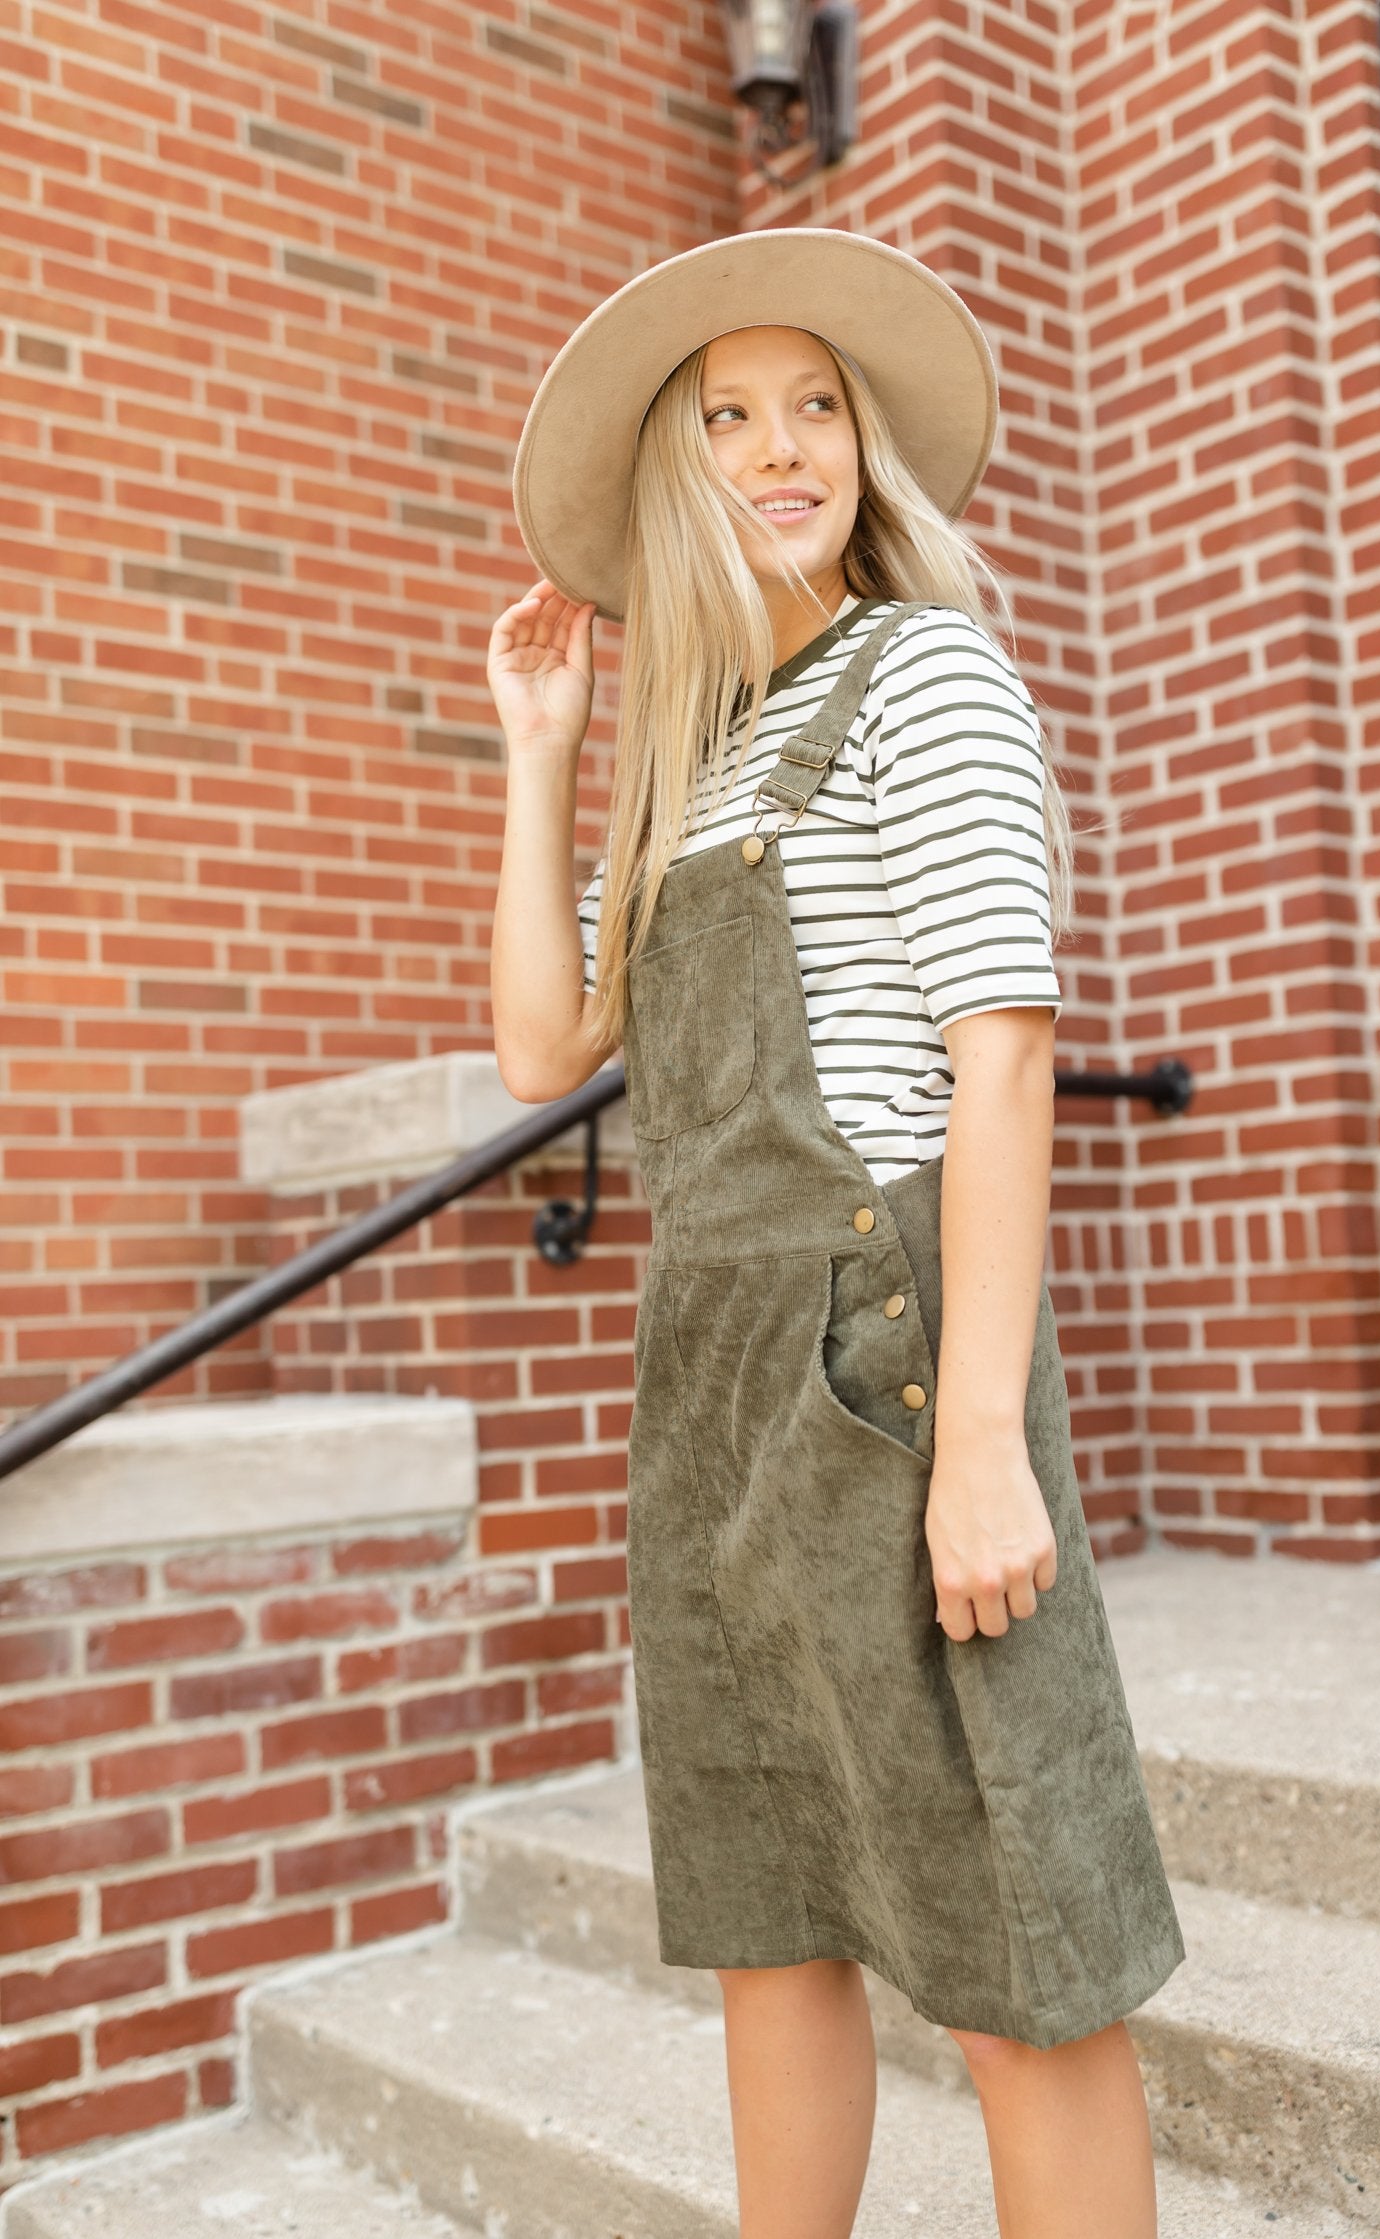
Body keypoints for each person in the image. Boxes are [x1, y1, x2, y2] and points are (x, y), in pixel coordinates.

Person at [485, 227, 1185, 2239]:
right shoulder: (694, 763)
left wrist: (975, 1445)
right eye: (726, 417)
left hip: (880, 1359)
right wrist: (543, 762)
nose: (778, 449)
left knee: (1011, 1961)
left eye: (812, 407)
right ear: (674, 473)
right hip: (706, 1384)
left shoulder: (924, 672)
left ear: (864, 447)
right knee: (766, 1918)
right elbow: (544, 1039)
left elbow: (1000, 1055)